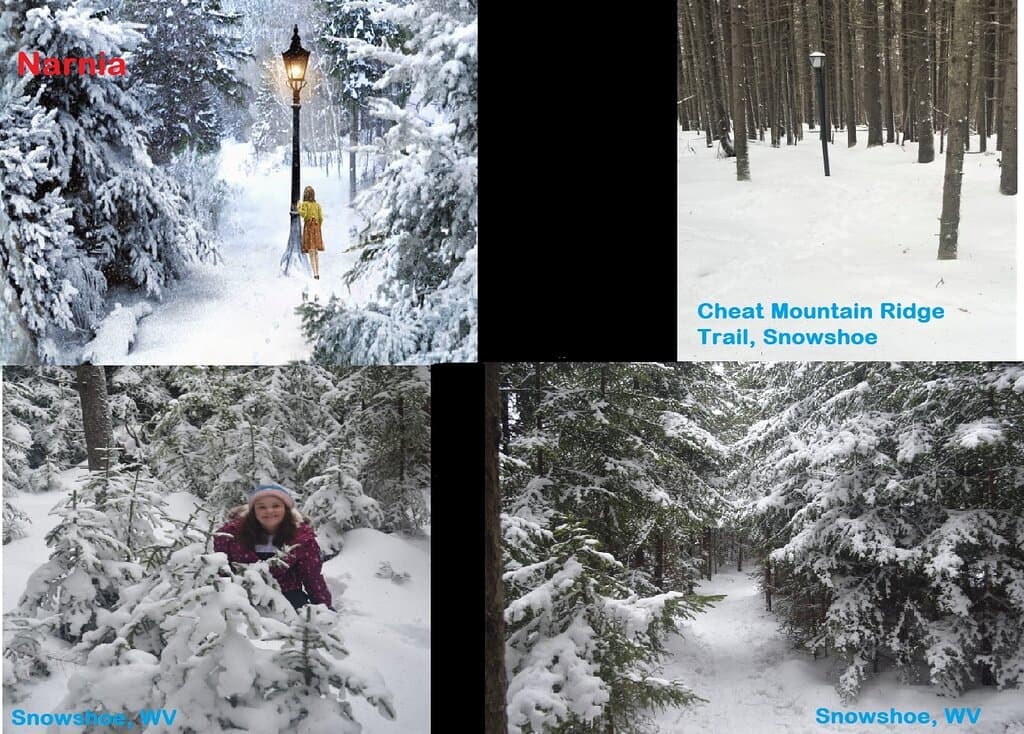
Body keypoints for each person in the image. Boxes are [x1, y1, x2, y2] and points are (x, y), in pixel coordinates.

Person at [213, 483, 333, 610]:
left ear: (286, 509)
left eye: (276, 506)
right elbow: (222, 571)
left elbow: (312, 577)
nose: (269, 511)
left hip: (288, 596)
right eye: (262, 507)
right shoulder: (229, 535)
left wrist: (324, 608)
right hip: (244, 597)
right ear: (253, 511)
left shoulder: (302, 539)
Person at [295, 185, 325, 279]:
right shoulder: (317, 205)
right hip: (316, 228)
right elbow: (321, 218)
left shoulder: (305, 204)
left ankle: (315, 273)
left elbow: (304, 214)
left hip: (309, 228)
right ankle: (317, 272)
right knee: (315, 252)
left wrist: (298, 207)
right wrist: (318, 226)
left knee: (312, 251)